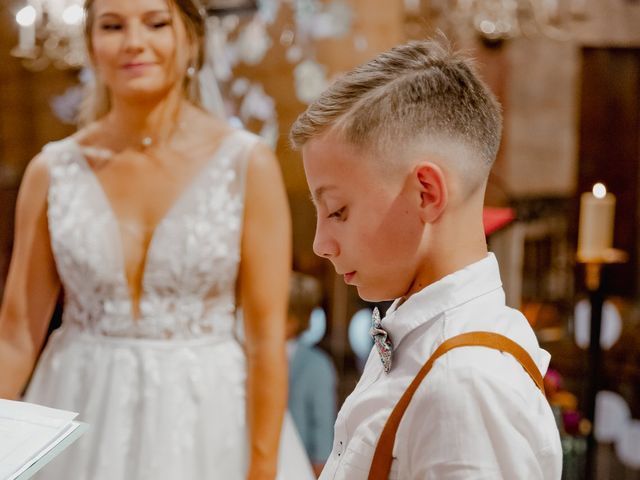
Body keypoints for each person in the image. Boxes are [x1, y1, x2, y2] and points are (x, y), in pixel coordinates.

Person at [0, 0, 314, 479]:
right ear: (90, 45)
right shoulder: (53, 170)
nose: (133, 42)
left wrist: (263, 466)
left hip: (207, 420)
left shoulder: (245, 164)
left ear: (190, 39)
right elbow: (17, 335)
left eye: (155, 23)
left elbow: (265, 339)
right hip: (78, 408)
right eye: (112, 26)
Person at [290, 39, 563, 479]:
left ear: (426, 193)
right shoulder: (419, 339)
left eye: (338, 210)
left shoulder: (463, 383)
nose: (322, 243)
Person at [286, 272, 337, 477]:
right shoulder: (246, 355)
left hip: (297, 465)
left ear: (292, 318)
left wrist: (318, 472)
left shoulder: (316, 365)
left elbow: (322, 425)